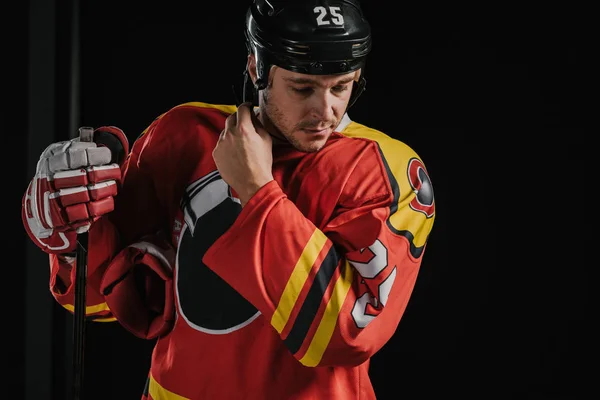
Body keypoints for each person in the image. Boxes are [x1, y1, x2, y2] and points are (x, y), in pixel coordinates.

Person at [22, 0, 436, 398]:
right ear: (258, 67)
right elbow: (102, 302)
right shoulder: (183, 134)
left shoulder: (386, 169)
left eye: (341, 87)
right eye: (302, 87)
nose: (324, 110)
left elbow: (343, 334)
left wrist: (256, 189)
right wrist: (68, 234)